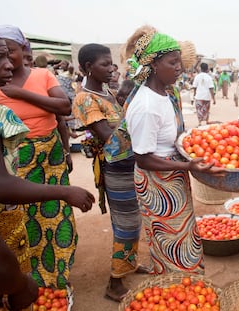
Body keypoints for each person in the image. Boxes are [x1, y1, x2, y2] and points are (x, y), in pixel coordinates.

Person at [0, 25, 94, 311]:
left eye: (10, 54)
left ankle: (52, 276)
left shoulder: (39, 78)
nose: (8, 63)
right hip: (13, 182)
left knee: (50, 223)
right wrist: (19, 284)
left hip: (46, 160)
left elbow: (63, 108)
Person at [125, 29, 221, 275]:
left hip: (172, 176)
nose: (180, 67)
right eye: (173, 62)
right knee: (170, 240)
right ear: (154, 64)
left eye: (180, 61)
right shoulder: (146, 105)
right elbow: (143, 158)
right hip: (157, 183)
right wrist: (188, 166)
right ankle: (175, 287)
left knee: (182, 234)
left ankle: (183, 284)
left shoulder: (165, 95)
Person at [73, 43, 148, 303]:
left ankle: (129, 263)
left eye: (111, 63)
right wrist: (134, 117)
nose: (111, 68)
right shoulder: (85, 99)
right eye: (104, 64)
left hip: (128, 164)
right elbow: (108, 137)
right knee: (126, 223)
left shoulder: (104, 91)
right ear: (86, 68)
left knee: (132, 219)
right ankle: (114, 284)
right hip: (115, 168)